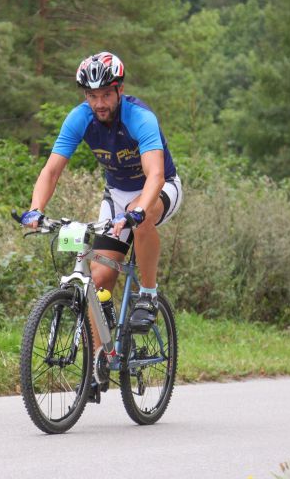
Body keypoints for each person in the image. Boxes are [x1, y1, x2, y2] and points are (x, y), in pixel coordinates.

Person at [21, 51, 182, 346]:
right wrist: (35, 210)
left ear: (120, 90)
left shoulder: (140, 118)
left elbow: (156, 175)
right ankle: (99, 361)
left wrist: (138, 210)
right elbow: (52, 170)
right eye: (92, 96)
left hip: (159, 188)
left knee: (141, 215)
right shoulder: (80, 118)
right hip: (117, 195)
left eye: (106, 94)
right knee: (99, 278)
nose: (99, 103)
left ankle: (147, 295)